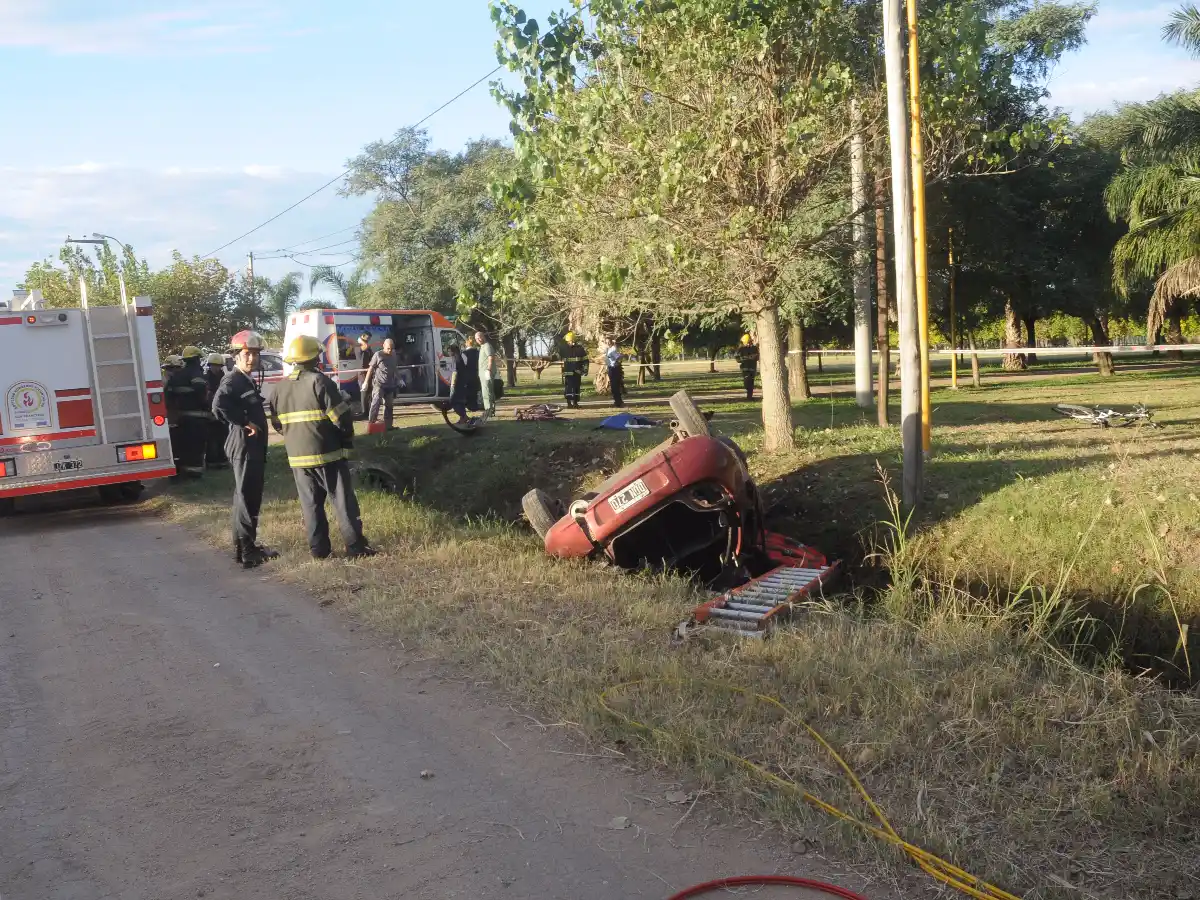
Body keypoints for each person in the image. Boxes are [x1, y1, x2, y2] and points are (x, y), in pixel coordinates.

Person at [269, 335, 376, 560]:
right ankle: (355, 546)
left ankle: (319, 550)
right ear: (314, 358)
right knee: (342, 501)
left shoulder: (279, 388)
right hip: (328, 454)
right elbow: (341, 419)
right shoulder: (320, 382)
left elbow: (278, 424)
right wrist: (346, 439)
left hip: (297, 458)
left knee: (311, 505)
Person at [212, 331, 278, 568]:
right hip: (243, 444)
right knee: (247, 496)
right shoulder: (233, 380)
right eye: (247, 354)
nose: (251, 359)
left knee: (245, 496)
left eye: (255, 355)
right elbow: (218, 405)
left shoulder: (246, 379)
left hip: (250, 445)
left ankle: (243, 548)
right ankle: (249, 552)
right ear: (236, 356)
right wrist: (243, 421)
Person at [165, 346, 210, 478]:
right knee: (196, 447)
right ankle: (195, 475)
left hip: (181, 418)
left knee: (185, 446)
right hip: (197, 418)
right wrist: (207, 407)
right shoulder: (196, 373)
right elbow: (201, 393)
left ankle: (183, 473)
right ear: (196, 359)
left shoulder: (177, 376)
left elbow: (169, 396)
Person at [364, 337, 400, 429]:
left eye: (391, 349)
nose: (390, 350)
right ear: (383, 346)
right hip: (379, 384)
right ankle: (371, 424)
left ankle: (388, 426)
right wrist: (366, 382)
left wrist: (399, 379)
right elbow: (370, 369)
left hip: (390, 385)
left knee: (389, 406)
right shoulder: (378, 355)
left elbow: (394, 367)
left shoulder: (394, 354)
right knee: (375, 404)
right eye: (388, 348)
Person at [204, 353, 230, 469]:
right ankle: (212, 462)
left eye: (218, 365)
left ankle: (223, 460)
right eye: (213, 365)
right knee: (212, 439)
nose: (216, 368)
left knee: (224, 436)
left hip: (223, 413)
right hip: (210, 413)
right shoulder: (205, 379)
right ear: (209, 366)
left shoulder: (225, 379)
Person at [560, 331, 588, 409]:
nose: (569, 343)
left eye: (571, 341)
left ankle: (575, 403)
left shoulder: (580, 349)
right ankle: (569, 403)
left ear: (574, 340)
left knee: (576, 388)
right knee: (568, 388)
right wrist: (546, 358)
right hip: (568, 373)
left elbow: (585, 360)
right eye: (568, 341)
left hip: (577, 372)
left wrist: (585, 370)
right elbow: (556, 356)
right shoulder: (564, 349)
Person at [476, 330, 498, 421]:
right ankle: (490, 410)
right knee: (487, 390)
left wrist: (488, 369)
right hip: (482, 372)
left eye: (480, 337)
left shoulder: (487, 345)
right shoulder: (482, 347)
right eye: (477, 338)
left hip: (486, 372)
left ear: (483, 337)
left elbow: (490, 357)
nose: (479, 339)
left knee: (487, 391)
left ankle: (488, 410)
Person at [447, 343, 471, 423]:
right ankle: (463, 417)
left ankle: (463, 416)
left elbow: (455, 373)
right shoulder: (460, 359)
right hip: (461, 383)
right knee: (460, 401)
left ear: (453, 352)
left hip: (457, 384)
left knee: (453, 401)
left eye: (449, 351)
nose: (448, 353)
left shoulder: (456, 360)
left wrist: (452, 384)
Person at [736, 333, 760, 400]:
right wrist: (745, 358)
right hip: (745, 368)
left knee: (751, 383)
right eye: (748, 342)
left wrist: (755, 357)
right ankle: (748, 393)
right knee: (747, 381)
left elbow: (757, 357)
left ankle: (749, 397)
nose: (749, 343)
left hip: (752, 368)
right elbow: (737, 358)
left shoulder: (754, 348)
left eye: (750, 342)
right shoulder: (741, 349)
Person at [356, 332, 375, 417]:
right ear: (362, 336)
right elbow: (365, 347)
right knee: (364, 392)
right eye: (368, 337)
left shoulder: (367, 347)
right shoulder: (358, 346)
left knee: (369, 393)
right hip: (362, 374)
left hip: (369, 372)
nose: (369, 340)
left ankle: (369, 411)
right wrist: (361, 340)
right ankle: (364, 412)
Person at [605, 337, 625, 408]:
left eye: (609, 342)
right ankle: (617, 401)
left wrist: (617, 363)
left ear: (611, 342)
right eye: (606, 342)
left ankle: (619, 402)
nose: (608, 343)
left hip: (615, 369)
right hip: (610, 369)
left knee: (615, 387)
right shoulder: (608, 349)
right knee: (614, 387)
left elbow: (619, 357)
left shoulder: (613, 349)